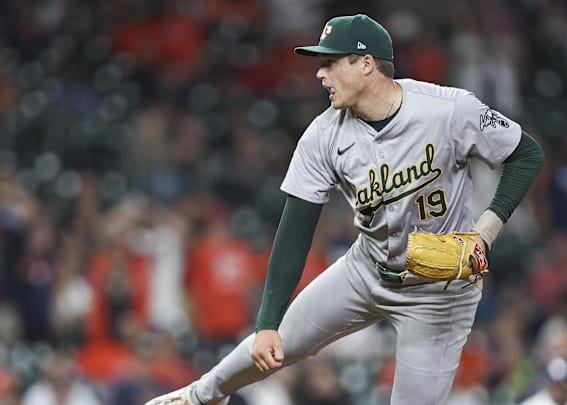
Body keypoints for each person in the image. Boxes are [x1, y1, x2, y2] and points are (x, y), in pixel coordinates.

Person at [145, 13, 544, 405]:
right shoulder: (323, 134)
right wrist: (266, 324)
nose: (320, 74)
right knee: (274, 341)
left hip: (437, 292)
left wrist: (484, 234)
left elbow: (526, 153)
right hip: (366, 269)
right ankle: (199, 397)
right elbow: (294, 231)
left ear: (366, 63)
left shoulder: (447, 109)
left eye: (330, 63)